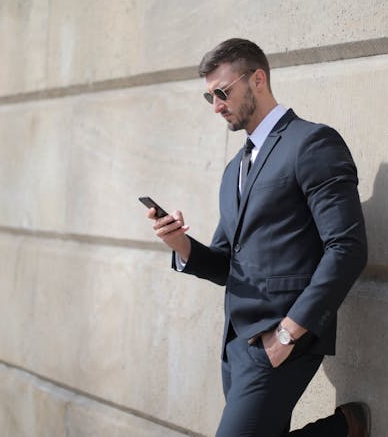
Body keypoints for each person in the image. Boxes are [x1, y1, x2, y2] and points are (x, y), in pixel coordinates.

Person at [146, 39, 369, 437]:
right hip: (236, 347)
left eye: (222, 92)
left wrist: (288, 334)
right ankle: (343, 430)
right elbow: (225, 263)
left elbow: (347, 248)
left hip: (282, 339)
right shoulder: (235, 168)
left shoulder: (312, 143)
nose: (216, 105)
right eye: (209, 96)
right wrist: (179, 243)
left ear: (258, 80)